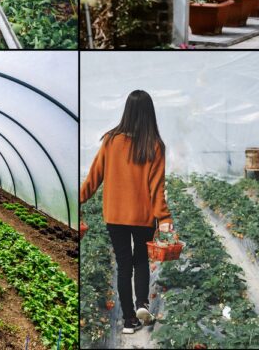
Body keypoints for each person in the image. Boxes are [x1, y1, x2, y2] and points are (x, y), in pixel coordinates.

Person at [80, 90, 173, 335]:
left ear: (127, 112)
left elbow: (94, 177)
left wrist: (78, 199)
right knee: (141, 260)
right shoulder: (154, 145)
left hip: (115, 216)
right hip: (143, 216)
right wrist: (163, 218)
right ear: (149, 114)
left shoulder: (111, 140)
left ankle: (129, 321)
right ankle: (142, 303)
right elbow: (156, 188)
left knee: (123, 265)